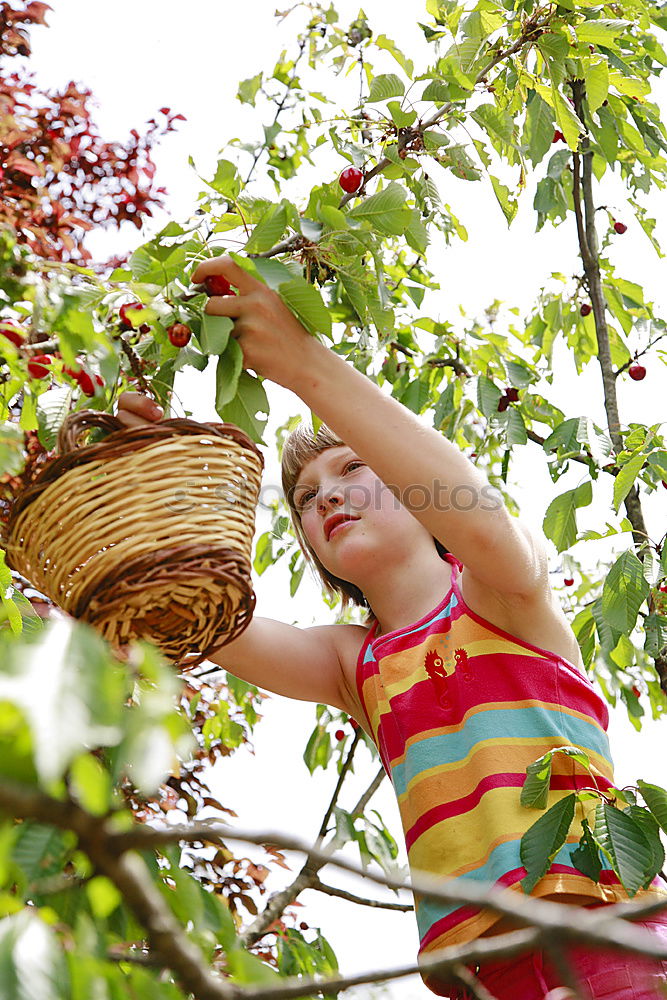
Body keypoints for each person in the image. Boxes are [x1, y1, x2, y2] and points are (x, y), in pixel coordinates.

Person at [117, 256, 667, 999]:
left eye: (353, 469)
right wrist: (144, 481)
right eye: (307, 497)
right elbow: (208, 616)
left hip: (615, 935)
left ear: (417, 494)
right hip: (484, 971)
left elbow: (474, 509)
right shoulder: (355, 663)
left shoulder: (505, 592)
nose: (326, 498)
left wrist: (307, 368)